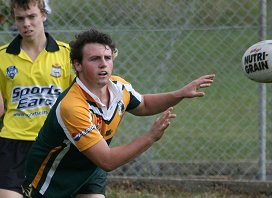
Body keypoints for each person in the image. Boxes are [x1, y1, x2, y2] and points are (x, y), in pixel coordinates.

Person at [22, 29, 215, 198]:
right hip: (54, 177)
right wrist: (150, 137)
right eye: (94, 59)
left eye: (107, 58)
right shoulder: (73, 106)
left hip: (90, 168)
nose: (103, 64)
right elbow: (107, 160)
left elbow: (145, 104)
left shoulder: (118, 87)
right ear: (78, 65)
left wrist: (179, 94)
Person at [0, 0, 75, 197]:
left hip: (55, 141)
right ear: (14, 21)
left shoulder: (67, 54)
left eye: (32, 16)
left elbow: (81, 99)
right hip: (14, 142)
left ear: (43, 15)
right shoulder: (2, 57)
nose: (26, 23)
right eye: (20, 18)